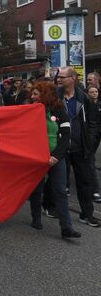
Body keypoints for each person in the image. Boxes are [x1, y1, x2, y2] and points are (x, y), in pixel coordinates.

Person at [28, 81, 81, 239]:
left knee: (60, 191)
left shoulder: (59, 110)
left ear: (45, 94)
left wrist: (56, 156)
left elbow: (66, 136)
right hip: (36, 158)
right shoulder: (30, 110)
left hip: (56, 158)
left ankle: (66, 227)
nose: (32, 96)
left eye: (36, 94)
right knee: (36, 189)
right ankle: (36, 218)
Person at [54, 67, 100, 227]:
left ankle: (87, 214)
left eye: (63, 77)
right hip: (60, 146)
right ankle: (49, 206)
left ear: (73, 78)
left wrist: (91, 141)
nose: (59, 79)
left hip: (80, 147)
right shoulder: (55, 96)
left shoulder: (84, 98)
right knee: (57, 181)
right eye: (59, 77)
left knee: (84, 181)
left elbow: (93, 122)